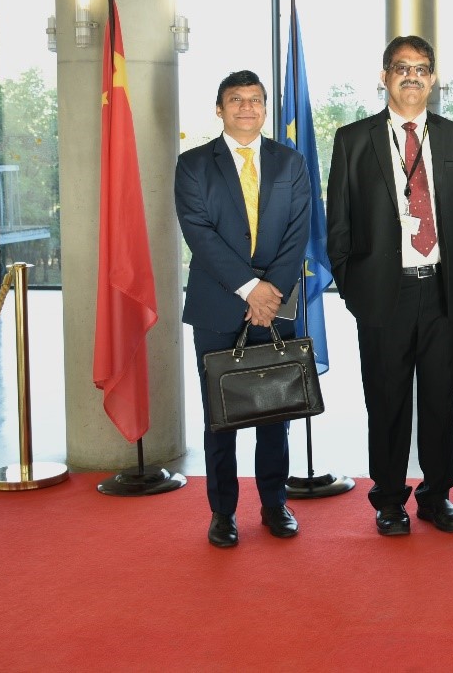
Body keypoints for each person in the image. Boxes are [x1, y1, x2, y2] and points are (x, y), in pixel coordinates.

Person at [327, 35, 453, 537]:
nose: (411, 76)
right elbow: (339, 226)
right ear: (384, 75)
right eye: (401, 68)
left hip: (441, 290)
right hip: (381, 294)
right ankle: (389, 499)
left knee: (439, 399)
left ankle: (437, 497)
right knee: (387, 401)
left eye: (421, 68)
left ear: (433, 79)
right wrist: (353, 288)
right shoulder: (353, 140)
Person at [176, 70, 310, 548]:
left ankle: (275, 503)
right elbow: (199, 235)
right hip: (218, 306)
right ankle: (223, 512)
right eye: (236, 100)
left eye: (255, 100)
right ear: (219, 108)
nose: (247, 108)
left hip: (276, 305)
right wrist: (251, 287)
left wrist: (270, 291)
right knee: (221, 416)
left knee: (277, 411)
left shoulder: (290, 162)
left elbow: (299, 230)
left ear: (265, 107)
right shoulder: (193, 165)